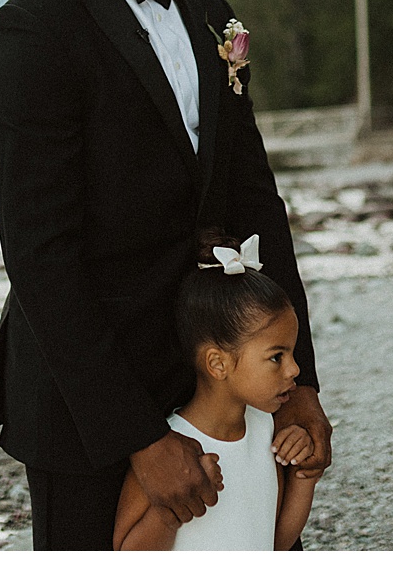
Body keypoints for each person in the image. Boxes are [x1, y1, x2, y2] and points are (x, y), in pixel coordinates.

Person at [0, 0, 330, 550]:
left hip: (222, 372)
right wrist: (136, 433)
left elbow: (257, 202)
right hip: (89, 400)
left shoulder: (212, 14)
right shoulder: (34, 28)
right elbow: (41, 255)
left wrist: (298, 383)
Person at [113, 232, 321, 550]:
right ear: (217, 364)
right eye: (276, 357)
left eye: (292, 354)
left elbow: (274, 543)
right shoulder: (168, 448)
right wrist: (169, 514)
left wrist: (305, 476)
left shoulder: (265, 428)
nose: (294, 370)